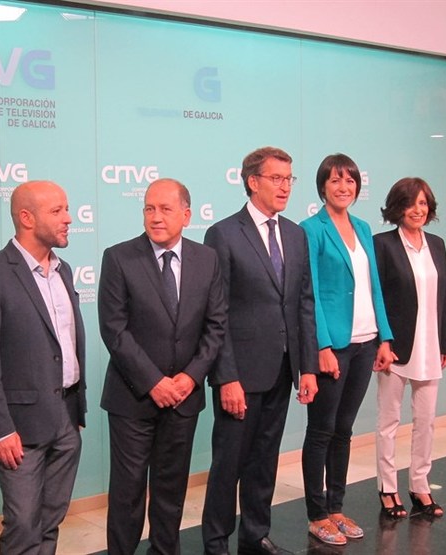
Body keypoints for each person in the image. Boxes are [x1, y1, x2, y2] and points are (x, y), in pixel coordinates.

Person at [99, 178, 227, 555]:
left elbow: (216, 325)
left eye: (165, 209)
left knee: (171, 492)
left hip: (183, 400)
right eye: (149, 209)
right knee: (127, 494)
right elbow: (114, 329)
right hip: (132, 399)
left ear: (186, 215)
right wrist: (154, 382)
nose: (155, 217)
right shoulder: (119, 257)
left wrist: (190, 377)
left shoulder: (207, 259)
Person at [202, 147, 319, 555]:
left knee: (265, 460)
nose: (285, 186)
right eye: (276, 178)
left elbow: (304, 302)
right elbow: (215, 313)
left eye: (290, 179)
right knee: (227, 465)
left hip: (284, 368)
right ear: (253, 181)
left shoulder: (294, 233)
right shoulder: (223, 233)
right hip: (240, 374)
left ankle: (255, 535)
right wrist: (226, 376)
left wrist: (307, 367)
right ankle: (216, 543)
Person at [0, 180, 86, 554]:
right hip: (20, 430)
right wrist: (0, 431)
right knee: (22, 527)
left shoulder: (63, 270)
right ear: (27, 218)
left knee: (51, 520)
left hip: (66, 418)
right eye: (58, 211)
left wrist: (74, 410)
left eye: (67, 209)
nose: (69, 218)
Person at [299, 153, 394, 546]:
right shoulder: (311, 229)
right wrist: (320, 344)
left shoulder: (364, 227)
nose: (344, 187)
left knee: (344, 430)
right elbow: (312, 293)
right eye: (336, 180)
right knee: (320, 431)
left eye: (350, 181)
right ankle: (317, 514)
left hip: (365, 341)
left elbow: (374, 286)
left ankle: (336, 506)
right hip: (333, 346)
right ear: (323, 186)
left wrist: (385, 337)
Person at [374, 177, 446, 519]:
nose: (417, 210)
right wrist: (383, 342)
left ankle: (420, 484)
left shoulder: (436, 243)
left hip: (430, 345)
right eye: (410, 203)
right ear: (397, 208)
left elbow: (444, 296)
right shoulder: (383, 245)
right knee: (389, 420)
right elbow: (377, 300)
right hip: (396, 347)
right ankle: (387, 487)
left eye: (423, 203)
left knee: (426, 420)